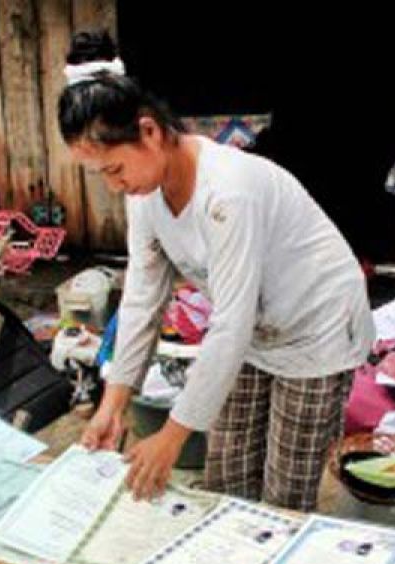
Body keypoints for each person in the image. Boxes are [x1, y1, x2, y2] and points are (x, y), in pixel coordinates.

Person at [60, 31, 374, 511]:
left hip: (316, 323)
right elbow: (143, 299)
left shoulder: (227, 191)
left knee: (283, 497)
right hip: (253, 329)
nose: (113, 185)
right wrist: (112, 405)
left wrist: (171, 437)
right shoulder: (145, 196)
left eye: (115, 169)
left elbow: (230, 322)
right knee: (227, 478)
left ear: (149, 132)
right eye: (101, 175)